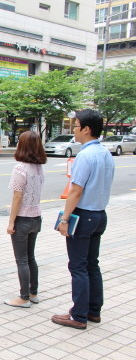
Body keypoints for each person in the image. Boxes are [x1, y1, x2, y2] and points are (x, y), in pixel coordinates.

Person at [52, 109, 114, 329]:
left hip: (84, 215)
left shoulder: (85, 156)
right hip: (100, 215)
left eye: (76, 126)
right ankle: (93, 311)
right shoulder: (106, 153)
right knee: (91, 265)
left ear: (86, 129)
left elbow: (76, 191)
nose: (73, 130)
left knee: (78, 266)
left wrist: (65, 219)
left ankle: (78, 315)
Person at [4, 131, 47, 307]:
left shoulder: (20, 168)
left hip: (22, 219)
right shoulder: (38, 167)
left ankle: (23, 297)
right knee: (30, 258)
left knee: (21, 259)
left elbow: (17, 197)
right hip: (36, 217)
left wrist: (11, 222)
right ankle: (33, 292)